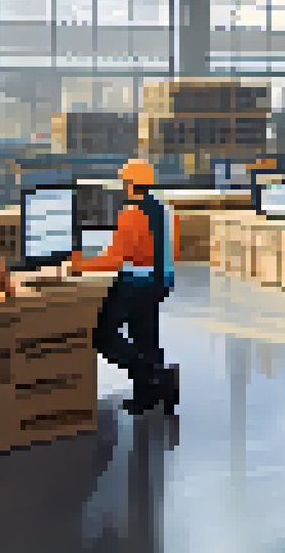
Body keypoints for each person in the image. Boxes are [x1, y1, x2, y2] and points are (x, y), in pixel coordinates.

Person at [70, 160, 178, 415]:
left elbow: (115, 258)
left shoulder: (132, 213)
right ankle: (148, 395)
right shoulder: (161, 207)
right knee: (144, 335)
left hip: (138, 281)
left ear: (128, 184)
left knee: (104, 335)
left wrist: (80, 266)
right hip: (161, 280)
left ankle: (156, 375)